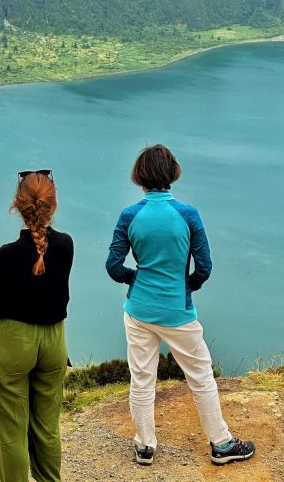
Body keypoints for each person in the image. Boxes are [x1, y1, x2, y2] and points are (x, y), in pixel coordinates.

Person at [105, 144, 255, 467]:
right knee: (201, 376)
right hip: (178, 309)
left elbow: (113, 266)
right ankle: (221, 444)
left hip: (139, 310)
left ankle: (145, 448)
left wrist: (136, 279)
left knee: (142, 379)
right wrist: (187, 285)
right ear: (172, 174)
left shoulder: (129, 215)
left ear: (139, 176)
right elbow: (205, 267)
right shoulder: (188, 215)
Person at [0, 169, 74, 482]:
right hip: (54, 341)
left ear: (17, 206)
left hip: (15, 341)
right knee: (46, 429)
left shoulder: (7, 255)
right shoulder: (66, 245)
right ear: (52, 205)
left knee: (13, 432)